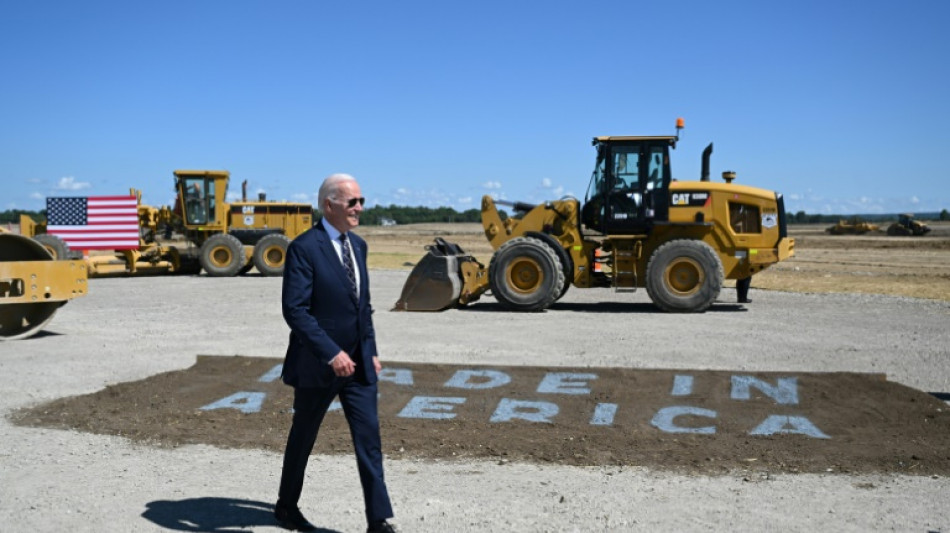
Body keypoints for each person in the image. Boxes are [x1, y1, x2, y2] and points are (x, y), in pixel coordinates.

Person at [275, 173, 396, 533]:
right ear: (329, 205)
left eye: (361, 201)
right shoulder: (304, 248)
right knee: (303, 437)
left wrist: (370, 350)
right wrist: (331, 353)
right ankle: (286, 507)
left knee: (369, 441)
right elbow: (295, 310)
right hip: (318, 365)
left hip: (358, 366)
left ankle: (378, 521)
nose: (359, 208)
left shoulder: (358, 246)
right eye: (352, 202)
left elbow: (364, 307)